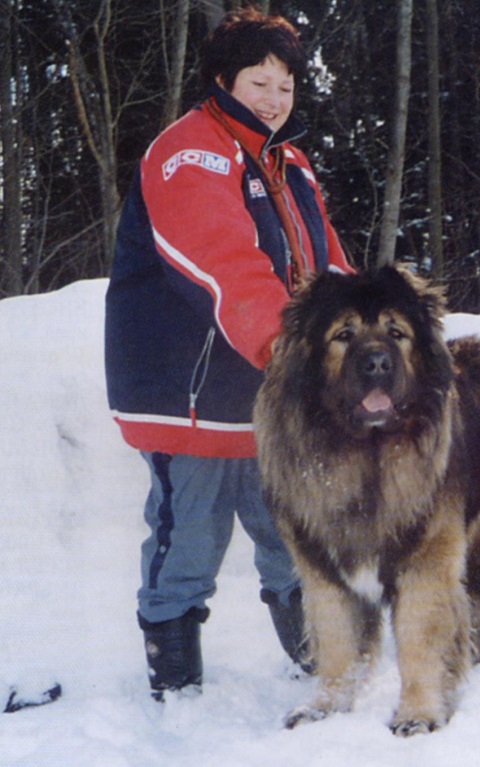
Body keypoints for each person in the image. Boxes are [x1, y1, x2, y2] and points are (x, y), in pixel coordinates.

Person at [104, 8, 353, 701]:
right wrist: (288, 345)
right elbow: (220, 259)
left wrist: (361, 335)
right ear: (222, 81)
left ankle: (326, 663)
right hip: (192, 389)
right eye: (258, 82)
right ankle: (176, 690)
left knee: (292, 528)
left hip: (271, 392)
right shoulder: (192, 152)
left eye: (285, 84)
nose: (275, 98)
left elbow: (323, 262)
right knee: (190, 536)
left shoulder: (288, 162)